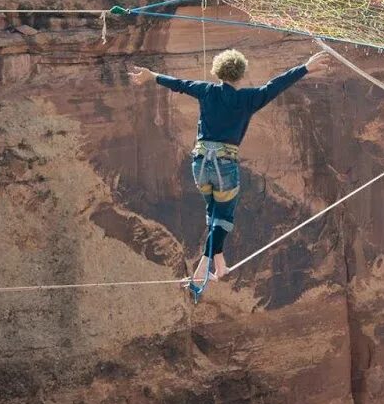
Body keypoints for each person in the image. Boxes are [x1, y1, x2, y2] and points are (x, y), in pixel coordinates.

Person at [130, 47, 332, 301]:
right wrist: (305, 67)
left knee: (213, 214)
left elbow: (179, 84)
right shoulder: (249, 98)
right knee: (222, 218)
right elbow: (276, 85)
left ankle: (215, 265)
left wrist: (151, 75)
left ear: (218, 71)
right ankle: (210, 265)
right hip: (224, 164)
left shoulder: (206, 90)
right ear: (241, 72)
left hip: (200, 164)